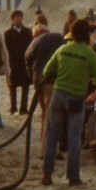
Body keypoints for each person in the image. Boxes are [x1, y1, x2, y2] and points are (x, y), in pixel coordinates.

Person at [41, 19, 96, 186]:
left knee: (53, 136)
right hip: (76, 99)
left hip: (58, 95)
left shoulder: (62, 49)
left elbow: (46, 71)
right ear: (87, 35)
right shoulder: (90, 54)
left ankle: (47, 175)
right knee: (74, 138)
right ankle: (73, 177)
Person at [24, 16, 65, 156]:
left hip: (39, 80)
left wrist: (32, 75)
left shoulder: (34, 42)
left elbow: (27, 57)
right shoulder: (58, 38)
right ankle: (48, 150)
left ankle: (46, 146)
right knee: (51, 115)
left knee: (45, 113)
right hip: (50, 80)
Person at [4, 10, 32, 115]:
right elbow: (7, 48)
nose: (19, 19)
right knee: (12, 86)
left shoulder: (27, 31)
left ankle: (23, 108)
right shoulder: (8, 33)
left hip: (24, 62)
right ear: (13, 19)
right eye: (17, 17)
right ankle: (13, 107)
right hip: (13, 62)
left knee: (25, 86)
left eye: (20, 16)